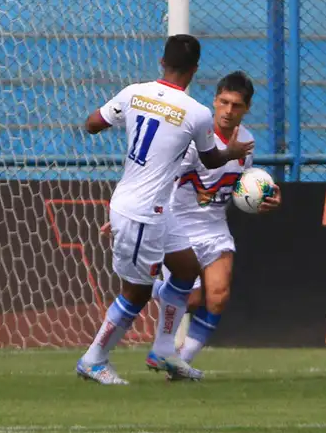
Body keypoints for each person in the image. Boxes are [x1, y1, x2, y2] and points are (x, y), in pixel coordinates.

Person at [75, 34, 253, 385]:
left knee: (186, 269)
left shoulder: (133, 92)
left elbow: (93, 123)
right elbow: (211, 158)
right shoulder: (197, 113)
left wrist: (112, 122)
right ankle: (94, 359)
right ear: (195, 69)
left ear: (162, 62)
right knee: (137, 292)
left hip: (151, 206)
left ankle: (164, 349)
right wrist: (232, 154)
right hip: (143, 211)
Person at [157, 71, 280, 367]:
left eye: (236, 105)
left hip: (214, 227)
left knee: (219, 296)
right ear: (214, 101)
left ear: (246, 108)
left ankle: (181, 363)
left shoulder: (246, 143)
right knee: (194, 300)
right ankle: (149, 289)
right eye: (223, 102)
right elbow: (162, 178)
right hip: (177, 227)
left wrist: (268, 195)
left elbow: (243, 184)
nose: (228, 110)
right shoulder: (193, 140)